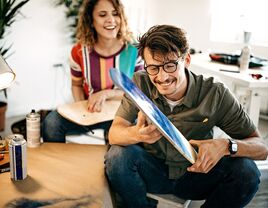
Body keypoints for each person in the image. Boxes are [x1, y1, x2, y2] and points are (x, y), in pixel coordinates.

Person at [105, 25, 268, 208]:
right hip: (152, 170)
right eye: (153, 68)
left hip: (197, 174)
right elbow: (114, 134)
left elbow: (261, 148)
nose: (162, 76)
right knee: (117, 157)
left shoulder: (215, 93)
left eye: (170, 65)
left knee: (247, 172)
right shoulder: (140, 83)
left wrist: (226, 146)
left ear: (187, 60)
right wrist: (137, 134)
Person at [42, 0, 143, 142]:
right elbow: (76, 85)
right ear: (91, 21)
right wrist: (82, 110)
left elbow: (138, 93)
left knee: (117, 151)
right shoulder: (78, 52)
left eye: (115, 14)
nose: (111, 20)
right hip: (91, 111)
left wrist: (106, 94)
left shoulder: (134, 52)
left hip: (121, 113)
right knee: (51, 123)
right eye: (102, 15)